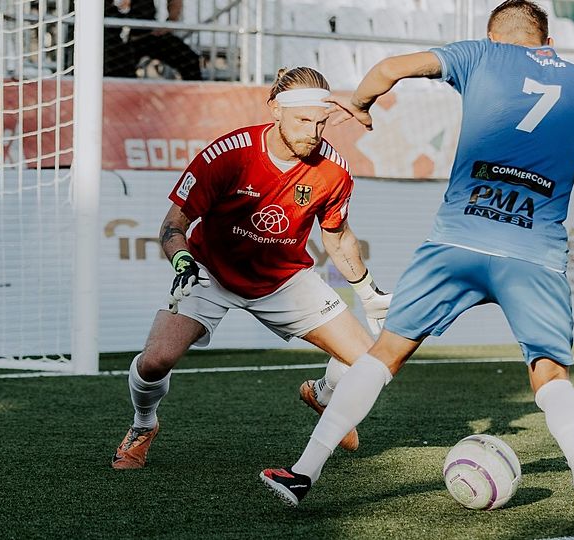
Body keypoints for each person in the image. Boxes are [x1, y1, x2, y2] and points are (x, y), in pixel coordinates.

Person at [260, 0, 574, 531]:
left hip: (457, 241)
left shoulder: (481, 55)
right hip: (533, 252)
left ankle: (301, 474)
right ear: (545, 40)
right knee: (549, 375)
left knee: (384, 354)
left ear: (494, 35)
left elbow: (389, 70)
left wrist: (363, 105)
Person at [111, 67, 391, 469]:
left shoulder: (334, 171)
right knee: (155, 361)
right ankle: (143, 424)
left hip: (284, 279)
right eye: (302, 120)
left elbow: (338, 235)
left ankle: (323, 393)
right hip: (211, 271)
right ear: (275, 108)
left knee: (369, 362)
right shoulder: (228, 155)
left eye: (321, 122)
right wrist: (182, 259)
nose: (313, 133)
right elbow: (174, 223)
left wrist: (367, 292)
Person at [103, 0, 202, 80]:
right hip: (111, 35)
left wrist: (170, 22)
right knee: (117, 73)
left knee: (190, 61)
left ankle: (197, 100)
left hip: (146, 34)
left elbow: (175, 2)